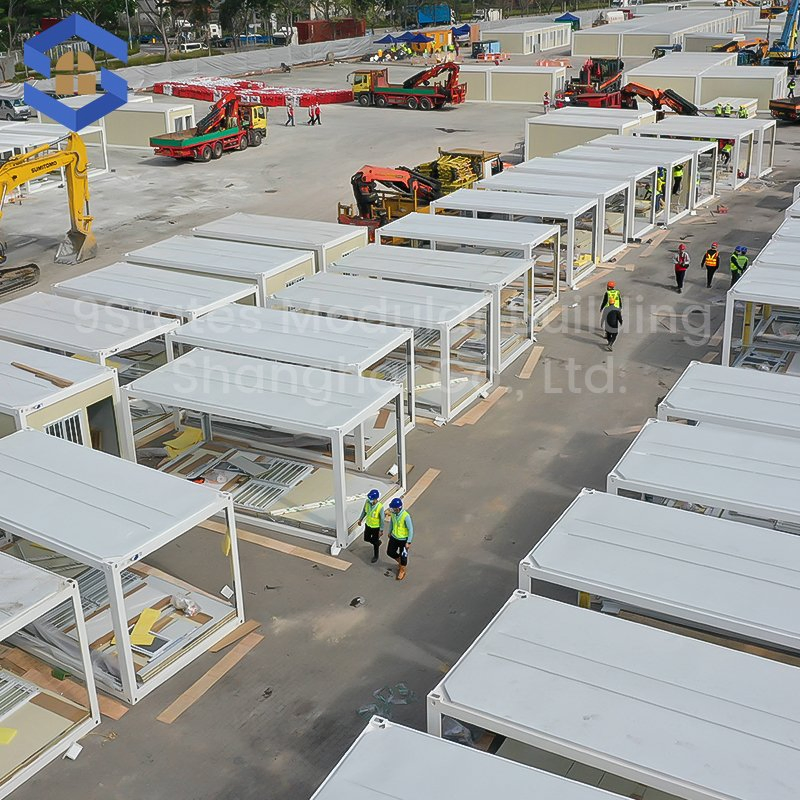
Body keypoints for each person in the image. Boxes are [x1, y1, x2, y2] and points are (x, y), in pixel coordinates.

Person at [385, 497, 413, 581]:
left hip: (403, 540)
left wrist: (409, 542)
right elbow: (392, 523)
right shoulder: (393, 514)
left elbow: (410, 529)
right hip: (394, 537)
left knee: (403, 556)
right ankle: (400, 562)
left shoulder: (406, 516)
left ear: (398, 508)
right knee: (390, 552)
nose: (392, 510)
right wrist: (389, 532)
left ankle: (402, 570)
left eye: (393, 508)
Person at [358, 489, 383, 563]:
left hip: (376, 527)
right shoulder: (367, 502)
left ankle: (376, 555)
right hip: (368, 525)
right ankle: (377, 542)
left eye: (371, 499)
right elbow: (364, 511)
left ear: (376, 499)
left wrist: (381, 530)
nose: (370, 500)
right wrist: (360, 519)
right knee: (366, 538)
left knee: (375, 543)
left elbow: (382, 519)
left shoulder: (380, 507)